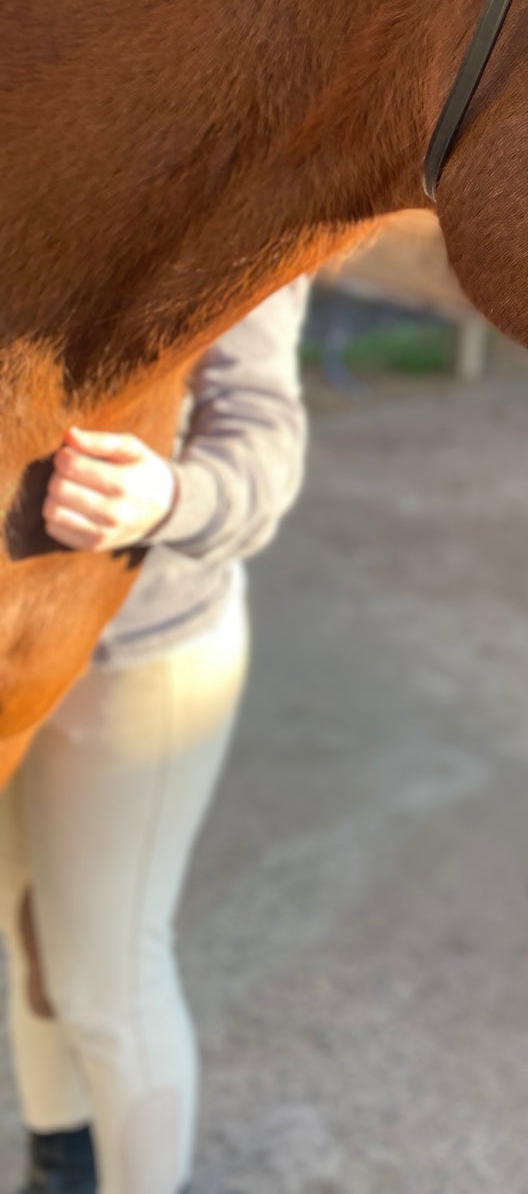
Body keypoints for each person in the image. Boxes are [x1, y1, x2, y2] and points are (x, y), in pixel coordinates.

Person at [0, 282, 310, 1194]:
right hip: (19, 652)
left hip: (144, 648)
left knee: (108, 977)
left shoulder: (237, 183)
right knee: (27, 933)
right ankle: (59, 1160)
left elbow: (265, 437)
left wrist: (170, 494)